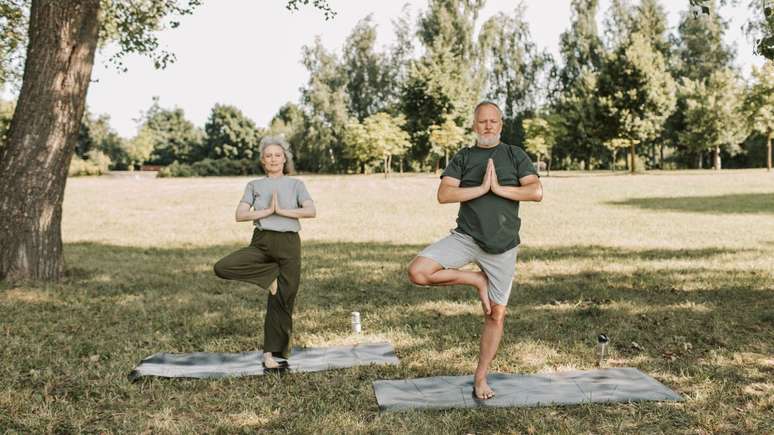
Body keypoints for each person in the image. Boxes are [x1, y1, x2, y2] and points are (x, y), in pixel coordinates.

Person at [407, 101, 543, 400]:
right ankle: (476, 279)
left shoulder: (514, 154)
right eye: (482, 121)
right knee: (418, 271)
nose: (488, 126)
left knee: (495, 315)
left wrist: (499, 188)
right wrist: (480, 188)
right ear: (474, 125)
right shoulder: (464, 156)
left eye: (493, 121)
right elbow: (444, 194)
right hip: (466, 237)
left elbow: (535, 191)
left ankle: (480, 378)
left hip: (503, 247)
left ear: (501, 125)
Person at [213, 136, 316, 369]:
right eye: (268, 155)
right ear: (262, 160)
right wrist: (266, 212)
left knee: (283, 300)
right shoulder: (254, 185)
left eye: (277, 155)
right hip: (262, 243)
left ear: (284, 159)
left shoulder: (296, 184)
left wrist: (282, 211)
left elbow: (311, 211)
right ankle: (268, 276)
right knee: (223, 266)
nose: (273, 159)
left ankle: (271, 354)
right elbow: (239, 215)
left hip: (289, 244)